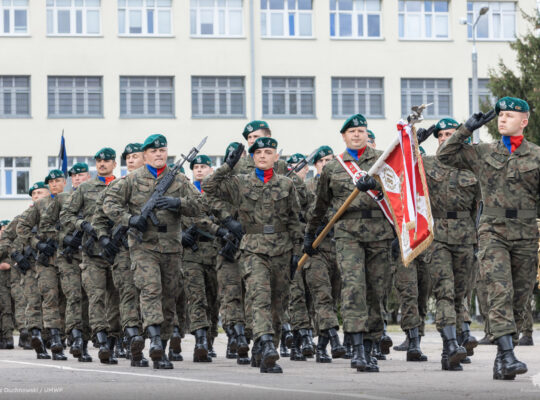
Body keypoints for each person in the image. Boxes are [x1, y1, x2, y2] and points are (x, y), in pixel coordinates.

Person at [437, 97, 538, 380]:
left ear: (524, 121)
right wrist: (466, 129)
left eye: (509, 115)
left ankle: (503, 357)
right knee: (499, 292)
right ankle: (507, 355)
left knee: (520, 299)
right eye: (500, 115)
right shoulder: (483, 152)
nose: (503, 119)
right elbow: (445, 155)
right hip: (493, 231)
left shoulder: (537, 156)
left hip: (526, 232)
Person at [103, 134, 204, 369]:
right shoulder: (132, 179)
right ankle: (155, 340)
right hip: (143, 246)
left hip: (171, 246)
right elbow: (109, 203)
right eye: (153, 151)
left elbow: (200, 205)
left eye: (163, 150)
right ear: (145, 154)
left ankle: (163, 348)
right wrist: (130, 219)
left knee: (169, 297)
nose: (159, 154)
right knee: (151, 290)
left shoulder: (179, 179)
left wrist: (178, 204)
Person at [203, 137, 303, 373]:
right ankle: (268, 345)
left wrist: (297, 253)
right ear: (252, 157)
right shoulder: (239, 182)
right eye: (258, 153)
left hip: (281, 248)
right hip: (252, 248)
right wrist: (228, 218)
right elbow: (208, 189)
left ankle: (264, 346)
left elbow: (295, 221)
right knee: (259, 296)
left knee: (278, 303)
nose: (263, 156)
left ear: (276, 157)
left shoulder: (287, 185)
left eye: (268, 152)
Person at [305, 114, 394, 373]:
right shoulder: (334, 168)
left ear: (367, 134)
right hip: (348, 235)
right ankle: (356, 348)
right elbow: (320, 205)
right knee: (354, 288)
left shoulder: (383, 162)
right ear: (343, 137)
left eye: (361, 130)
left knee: (377, 291)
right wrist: (310, 234)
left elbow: (397, 195)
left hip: (379, 233)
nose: (357, 134)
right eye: (351, 131)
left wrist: (376, 190)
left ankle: (370, 346)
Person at [92, 143, 151, 368]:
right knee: (126, 295)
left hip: (149, 248)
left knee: (148, 295)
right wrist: (104, 238)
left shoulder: (157, 187)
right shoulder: (117, 185)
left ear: (144, 158)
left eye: (135, 156)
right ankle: (131, 338)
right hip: (124, 250)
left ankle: (147, 339)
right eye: (128, 157)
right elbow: (99, 215)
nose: (131, 160)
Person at [61, 149, 122, 365]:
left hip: (117, 252)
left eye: (106, 161)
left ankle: (113, 342)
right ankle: (102, 341)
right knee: (95, 298)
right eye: (98, 161)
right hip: (92, 253)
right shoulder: (85, 188)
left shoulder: (123, 185)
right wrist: (83, 224)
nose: (102, 163)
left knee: (116, 301)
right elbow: (66, 214)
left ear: (114, 164)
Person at [304, 145, 347, 363]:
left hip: (338, 247)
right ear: (315, 165)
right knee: (322, 297)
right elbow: (300, 215)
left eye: (330, 159)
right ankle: (334, 339)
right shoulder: (307, 187)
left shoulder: (340, 185)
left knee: (333, 299)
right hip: (316, 251)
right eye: (321, 161)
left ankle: (321, 348)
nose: (326, 163)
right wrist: (309, 233)